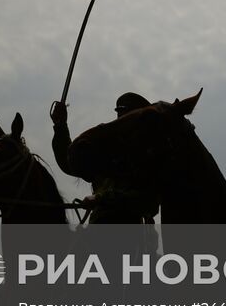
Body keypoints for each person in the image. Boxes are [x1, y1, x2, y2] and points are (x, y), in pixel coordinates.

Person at [51, 92, 163, 223]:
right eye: (120, 116)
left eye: (126, 116)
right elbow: (70, 162)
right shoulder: (109, 152)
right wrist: (60, 126)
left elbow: (148, 202)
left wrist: (101, 199)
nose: (120, 120)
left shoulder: (148, 157)